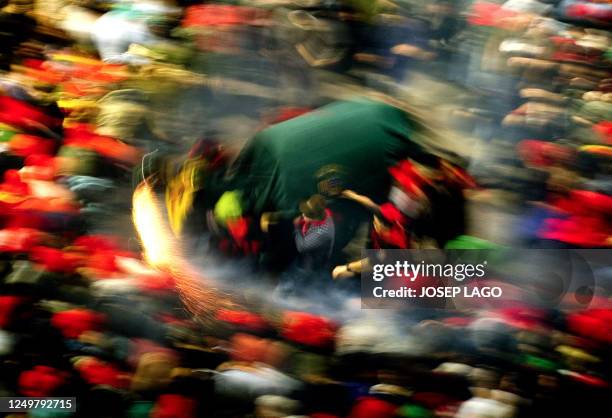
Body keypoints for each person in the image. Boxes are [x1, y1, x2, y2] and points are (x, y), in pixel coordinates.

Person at [294, 194, 335, 271]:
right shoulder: (323, 212)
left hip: (311, 264)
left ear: (314, 218)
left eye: (306, 214)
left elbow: (302, 247)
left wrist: (297, 229)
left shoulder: (321, 232)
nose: (303, 215)